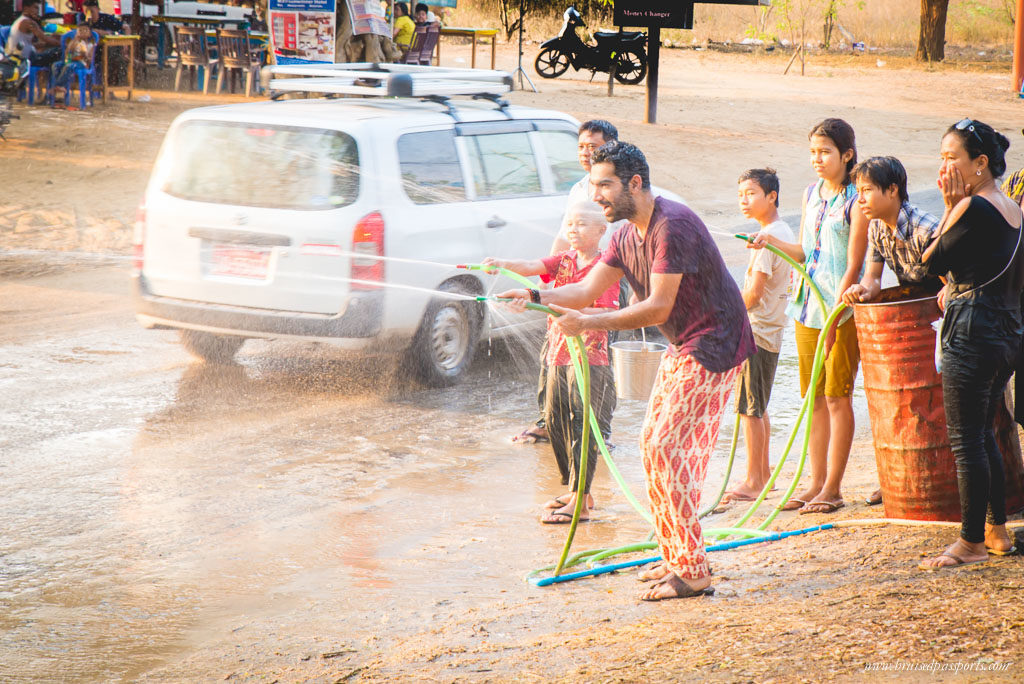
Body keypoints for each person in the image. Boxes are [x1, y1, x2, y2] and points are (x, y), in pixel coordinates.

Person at [500, 142, 755, 601]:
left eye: (605, 185)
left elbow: (657, 306)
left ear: (634, 184)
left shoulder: (671, 226)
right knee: (654, 447)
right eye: (595, 183)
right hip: (684, 342)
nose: (595, 194)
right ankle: (677, 553)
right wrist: (535, 297)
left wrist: (590, 324)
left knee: (664, 448)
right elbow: (581, 291)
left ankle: (693, 571)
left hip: (716, 341)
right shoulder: (621, 235)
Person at [748, 118, 869, 515]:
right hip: (806, 307)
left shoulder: (857, 199)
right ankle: (815, 482)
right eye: (813, 152)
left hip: (841, 310)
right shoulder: (810, 194)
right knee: (813, 398)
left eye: (825, 152)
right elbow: (802, 251)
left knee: (837, 397)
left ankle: (833, 487)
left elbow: (854, 262)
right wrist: (771, 241)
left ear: (846, 155)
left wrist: (838, 312)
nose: (817, 159)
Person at [918, 119, 1022, 569]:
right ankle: (997, 530)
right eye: (941, 157)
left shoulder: (973, 207)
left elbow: (927, 265)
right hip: (1006, 333)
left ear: (980, 164)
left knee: (966, 441)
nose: (944, 167)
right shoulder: (1012, 208)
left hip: (971, 330)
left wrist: (949, 207)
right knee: (984, 434)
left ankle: (970, 542)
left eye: (952, 158)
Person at [483, 201, 619, 524]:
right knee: (553, 419)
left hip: (590, 358)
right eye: (569, 223)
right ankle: (577, 491)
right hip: (556, 354)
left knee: (583, 428)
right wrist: (501, 264)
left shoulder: (605, 270)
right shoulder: (564, 260)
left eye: (582, 224)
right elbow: (532, 265)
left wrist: (571, 313)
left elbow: (608, 314)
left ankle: (582, 501)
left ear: (602, 231)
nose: (573, 229)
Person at [839, 156, 942, 506]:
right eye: (858, 192)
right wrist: (862, 291)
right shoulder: (877, 229)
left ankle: (938, 475)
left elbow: (954, 278)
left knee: (937, 405)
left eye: (867, 191)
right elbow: (872, 277)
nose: (861, 200)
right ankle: (902, 473)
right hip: (912, 321)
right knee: (906, 403)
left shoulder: (925, 228)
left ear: (893, 189)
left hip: (939, 318)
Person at [512, 119, 621, 446]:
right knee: (555, 347)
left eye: (595, 146)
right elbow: (564, 236)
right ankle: (550, 421)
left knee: (596, 353)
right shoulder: (578, 189)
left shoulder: (620, 187)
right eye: (582, 147)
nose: (587, 153)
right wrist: (551, 280)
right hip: (573, 275)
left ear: (611, 147)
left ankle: (598, 432)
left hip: (609, 275)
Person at [723, 169, 794, 505]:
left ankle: (754, 480)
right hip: (771, 330)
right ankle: (762, 475)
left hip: (757, 331)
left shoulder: (768, 240)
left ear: (772, 196)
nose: (744, 200)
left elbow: (752, 295)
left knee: (750, 409)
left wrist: (722, 308)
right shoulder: (777, 233)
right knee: (758, 405)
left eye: (751, 193)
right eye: (740, 194)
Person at [6, 0, 61, 71]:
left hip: (16, 57)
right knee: (59, 52)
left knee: (50, 49)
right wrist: (62, 44)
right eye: (35, 8)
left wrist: (46, 44)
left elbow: (31, 44)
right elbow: (44, 38)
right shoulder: (28, 23)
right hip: (24, 60)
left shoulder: (20, 20)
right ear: (26, 8)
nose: (37, 11)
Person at [52, 19, 95, 99]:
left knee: (69, 67)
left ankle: (57, 87)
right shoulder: (75, 42)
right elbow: (68, 51)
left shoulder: (90, 45)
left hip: (81, 64)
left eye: (85, 30)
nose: (82, 32)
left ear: (90, 34)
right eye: (80, 30)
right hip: (70, 61)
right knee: (56, 65)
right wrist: (75, 39)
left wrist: (85, 55)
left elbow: (89, 61)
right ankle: (60, 90)